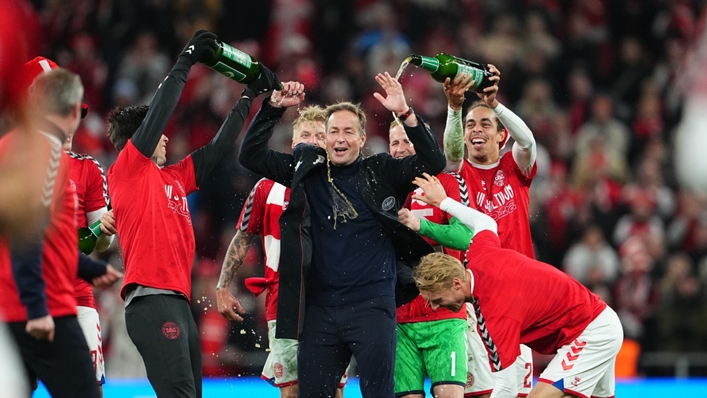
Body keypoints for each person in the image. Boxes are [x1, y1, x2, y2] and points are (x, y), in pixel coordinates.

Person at [238, 72, 446, 398]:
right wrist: (273, 108)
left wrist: (406, 114)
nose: (340, 137)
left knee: (378, 394)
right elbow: (249, 156)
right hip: (319, 311)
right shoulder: (306, 173)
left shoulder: (381, 171)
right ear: (324, 137)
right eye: (333, 131)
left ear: (362, 139)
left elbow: (434, 161)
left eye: (349, 131)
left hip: (372, 306)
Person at [105, 30, 281, 397]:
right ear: (141, 139)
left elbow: (217, 149)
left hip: (178, 302)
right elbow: (162, 109)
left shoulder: (173, 177)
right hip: (151, 302)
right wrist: (186, 59)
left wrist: (250, 94)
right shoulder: (127, 171)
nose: (167, 137)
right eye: (158, 132)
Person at [406, 173, 623, 398]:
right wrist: (444, 202)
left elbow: (507, 388)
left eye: (437, 299)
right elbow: (485, 222)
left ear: (457, 283)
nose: (434, 307)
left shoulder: (495, 315)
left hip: (590, 332)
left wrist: (444, 203)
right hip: (595, 321)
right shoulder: (480, 254)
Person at [0, 68, 121, 398]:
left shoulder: (9, 149)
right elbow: (31, 231)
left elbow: (46, 235)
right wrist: (36, 305)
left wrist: (89, 267)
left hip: (16, 303)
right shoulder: (47, 155)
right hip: (48, 303)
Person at [216, 99, 346, 398]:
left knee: (333, 390)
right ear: (293, 142)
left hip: (333, 299)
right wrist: (223, 286)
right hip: (283, 299)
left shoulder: (342, 184)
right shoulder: (266, 186)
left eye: (318, 136)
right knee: (291, 391)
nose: (311, 142)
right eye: (304, 136)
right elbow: (242, 237)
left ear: (329, 141)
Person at [443, 66, 537, 397]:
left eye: (485, 124)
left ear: (501, 135)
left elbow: (527, 139)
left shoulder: (515, 166)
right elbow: (450, 152)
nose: (476, 130)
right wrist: (455, 110)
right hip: (473, 299)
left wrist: (494, 104)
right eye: (470, 125)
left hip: (517, 295)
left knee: (516, 392)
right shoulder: (456, 173)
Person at [389, 120, 494, 398]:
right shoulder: (380, 186)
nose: (400, 149)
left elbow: (466, 237)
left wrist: (420, 226)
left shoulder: (446, 182)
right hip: (399, 317)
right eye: (394, 143)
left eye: (407, 141)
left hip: (444, 313)